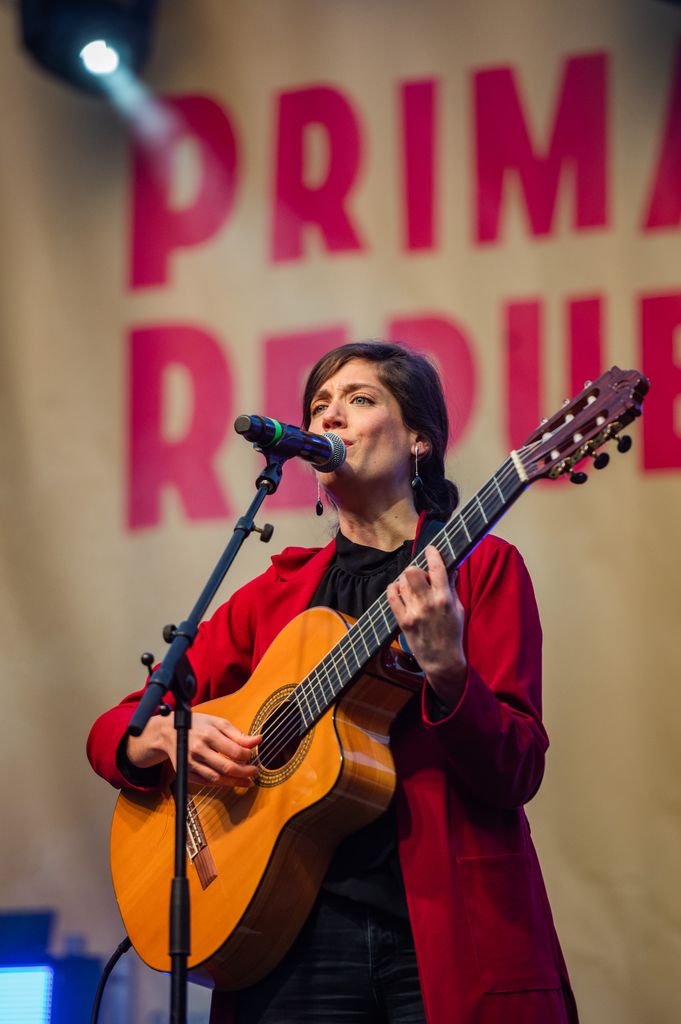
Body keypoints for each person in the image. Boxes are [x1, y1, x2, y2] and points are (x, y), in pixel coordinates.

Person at [87, 340, 579, 1024]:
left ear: (419, 440)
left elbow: (516, 769)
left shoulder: (479, 571)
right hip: (287, 942)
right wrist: (170, 736)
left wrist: (448, 673)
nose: (330, 417)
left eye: (359, 399)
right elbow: (118, 727)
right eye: (319, 406)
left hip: (443, 936)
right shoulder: (274, 597)